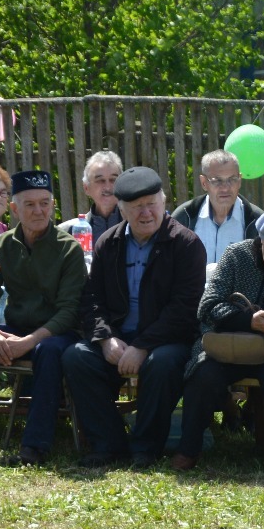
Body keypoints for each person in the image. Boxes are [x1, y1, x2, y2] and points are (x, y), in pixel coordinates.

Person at [64, 166, 206, 468]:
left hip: (166, 340)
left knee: (163, 363)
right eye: (137, 207)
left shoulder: (186, 244)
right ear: (122, 209)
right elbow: (92, 300)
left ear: (164, 202)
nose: (146, 213)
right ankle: (109, 444)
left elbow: (184, 308)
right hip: (118, 338)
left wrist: (143, 346)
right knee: (77, 356)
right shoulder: (108, 243)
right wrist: (105, 339)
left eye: (152, 204)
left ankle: (145, 447)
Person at [0, 170, 88, 466]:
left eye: (44, 203)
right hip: (17, 328)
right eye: (29, 204)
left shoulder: (69, 248)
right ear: (14, 209)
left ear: (53, 206)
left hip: (56, 333)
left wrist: (28, 342)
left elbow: (69, 312)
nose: (38, 210)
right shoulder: (1, 246)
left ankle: (35, 446)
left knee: (48, 351)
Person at [176, 208, 264, 473]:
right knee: (204, 373)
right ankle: (188, 449)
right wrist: (248, 321)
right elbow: (208, 305)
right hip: (228, 343)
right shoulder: (236, 255)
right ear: (261, 241)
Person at [171, 149, 264, 264]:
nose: (225, 188)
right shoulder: (184, 217)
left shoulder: (258, 221)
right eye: (217, 180)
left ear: (239, 181)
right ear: (204, 182)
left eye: (232, 179)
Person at [60, 150, 123, 241]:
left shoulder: (134, 228)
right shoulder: (68, 233)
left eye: (113, 179)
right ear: (86, 188)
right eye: (100, 180)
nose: (108, 187)